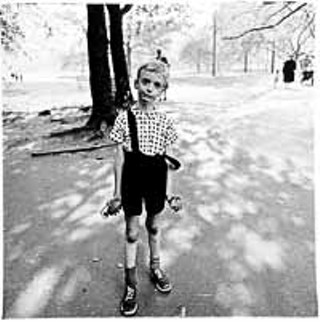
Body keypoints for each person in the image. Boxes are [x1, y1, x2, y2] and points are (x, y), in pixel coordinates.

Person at [106, 60, 182, 317]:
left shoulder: (165, 123)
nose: (149, 88)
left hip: (156, 180)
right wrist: (116, 193)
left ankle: (155, 267)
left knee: (154, 227)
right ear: (137, 83)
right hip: (131, 180)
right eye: (145, 82)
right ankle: (130, 284)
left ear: (163, 90)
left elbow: (169, 162)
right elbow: (119, 158)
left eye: (156, 85)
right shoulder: (124, 118)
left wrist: (170, 193)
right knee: (131, 232)